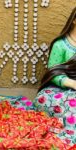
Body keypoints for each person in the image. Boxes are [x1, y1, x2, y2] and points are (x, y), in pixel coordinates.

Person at [34, 7, 76, 145]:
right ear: (74, 20)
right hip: (59, 91)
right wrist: (70, 83)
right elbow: (52, 73)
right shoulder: (60, 45)